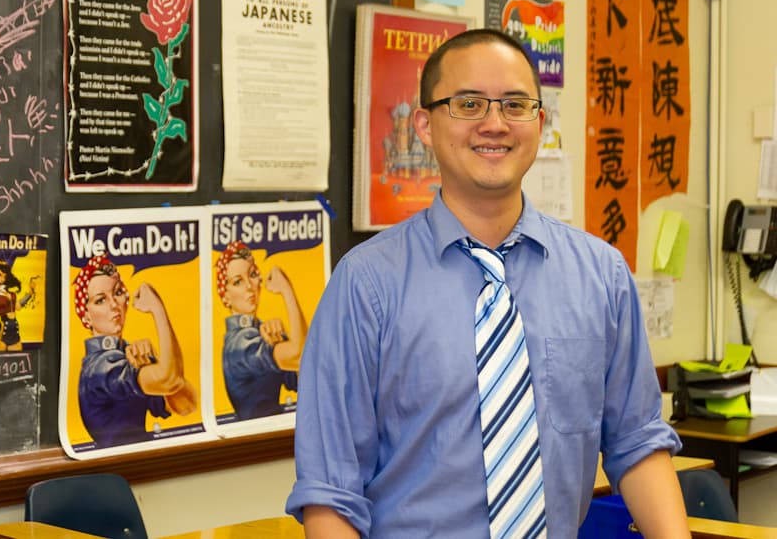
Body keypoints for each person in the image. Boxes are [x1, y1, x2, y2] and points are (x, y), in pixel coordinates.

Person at [286, 29, 690, 538]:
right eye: (469, 104)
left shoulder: (602, 276)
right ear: (425, 125)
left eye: (516, 105)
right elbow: (330, 495)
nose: (495, 124)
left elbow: (637, 443)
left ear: (539, 123)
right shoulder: (366, 286)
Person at [73, 254, 196, 446]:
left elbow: (187, 405)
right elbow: (170, 379)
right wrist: (157, 309)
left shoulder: (126, 355)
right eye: (100, 300)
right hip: (117, 466)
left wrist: (152, 362)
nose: (114, 305)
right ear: (86, 316)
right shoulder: (100, 366)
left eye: (118, 292)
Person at [216, 240, 308, 420]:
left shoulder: (259, 332)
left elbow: (304, 377)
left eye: (252, 274)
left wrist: (280, 341)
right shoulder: (239, 343)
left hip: (279, 432)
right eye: (237, 282)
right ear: (225, 296)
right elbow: (301, 355)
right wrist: (287, 291)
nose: (249, 286)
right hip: (253, 438)